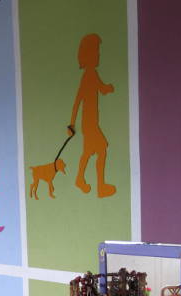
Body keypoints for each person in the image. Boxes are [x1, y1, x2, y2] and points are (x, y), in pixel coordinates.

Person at [68, 33, 116, 198]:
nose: (99, 55)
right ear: (89, 56)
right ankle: (100, 187)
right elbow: (78, 101)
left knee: (89, 152)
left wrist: (108, 88)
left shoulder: (91, 74)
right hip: (89, 124)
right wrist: (71, 124)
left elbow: (101, 89)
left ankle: (80, 179)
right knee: (101, 150)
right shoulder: (90, 75)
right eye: (96, 52)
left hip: (90, 123)